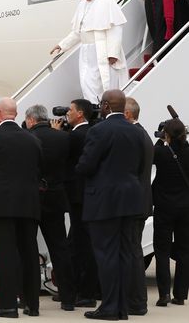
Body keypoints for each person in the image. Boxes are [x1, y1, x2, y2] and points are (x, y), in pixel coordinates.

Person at [76, 89, 146, 320]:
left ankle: (109, 307)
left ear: (106, 106)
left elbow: (86, 165)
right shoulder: (137, 131)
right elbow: (140, 166)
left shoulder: (99, 130)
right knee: (125, 254)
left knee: (106, 255)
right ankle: (121, 307)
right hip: (131, 199)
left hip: (104, 201)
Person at [0, 98, 42, 318]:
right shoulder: (32, 139)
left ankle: (8, 305)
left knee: (5, 255)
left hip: (2, 204)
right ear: (16, 114)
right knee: (29, 253)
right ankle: (32, 304)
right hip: (29, 204)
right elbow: (39, 171)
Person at [25, 104, 75, 311]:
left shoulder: (27, 138)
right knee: (60, 248)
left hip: (31, 199)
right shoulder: (63, 138)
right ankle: (68, 298)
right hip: (55, 197)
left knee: (28, 249)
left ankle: (29, 299)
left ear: (31, 120)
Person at [51, 0, 128, 103]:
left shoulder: (107, 2)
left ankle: (107, 107)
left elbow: (115, 29)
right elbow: (78, 32)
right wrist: (62, 45)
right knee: (86, 82)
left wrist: (113, 53)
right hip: (86, 52)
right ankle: (93, 106)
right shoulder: (82, 5)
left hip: (103, 50)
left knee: (105, 82)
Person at [52, 99, 99, 308]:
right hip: (89, 195)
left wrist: (56, 133)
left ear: (80, 113)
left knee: (81, 244)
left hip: (76, 195)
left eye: (70, 110)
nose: (67, 113)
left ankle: (84, 292)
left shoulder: (75, 136)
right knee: (80, 242)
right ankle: (82, 289)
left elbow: (60, 155)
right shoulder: (92, 132)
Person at [152, 118, 189, 306]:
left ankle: (164, 293)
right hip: (186, 207)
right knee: (184, 251)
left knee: (162, 250)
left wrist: (161, 140)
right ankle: (181, 294)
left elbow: (152, 154)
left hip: (164, 207)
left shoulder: (160, 152)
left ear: (166, 134)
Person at [124, 97, 154, 315]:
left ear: (127, 114)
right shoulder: (142, 134)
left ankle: (136, 301)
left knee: (132, 251)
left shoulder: (135, 136)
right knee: (133, 250)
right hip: (140, 202)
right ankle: (136, 300)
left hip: (134, 204)